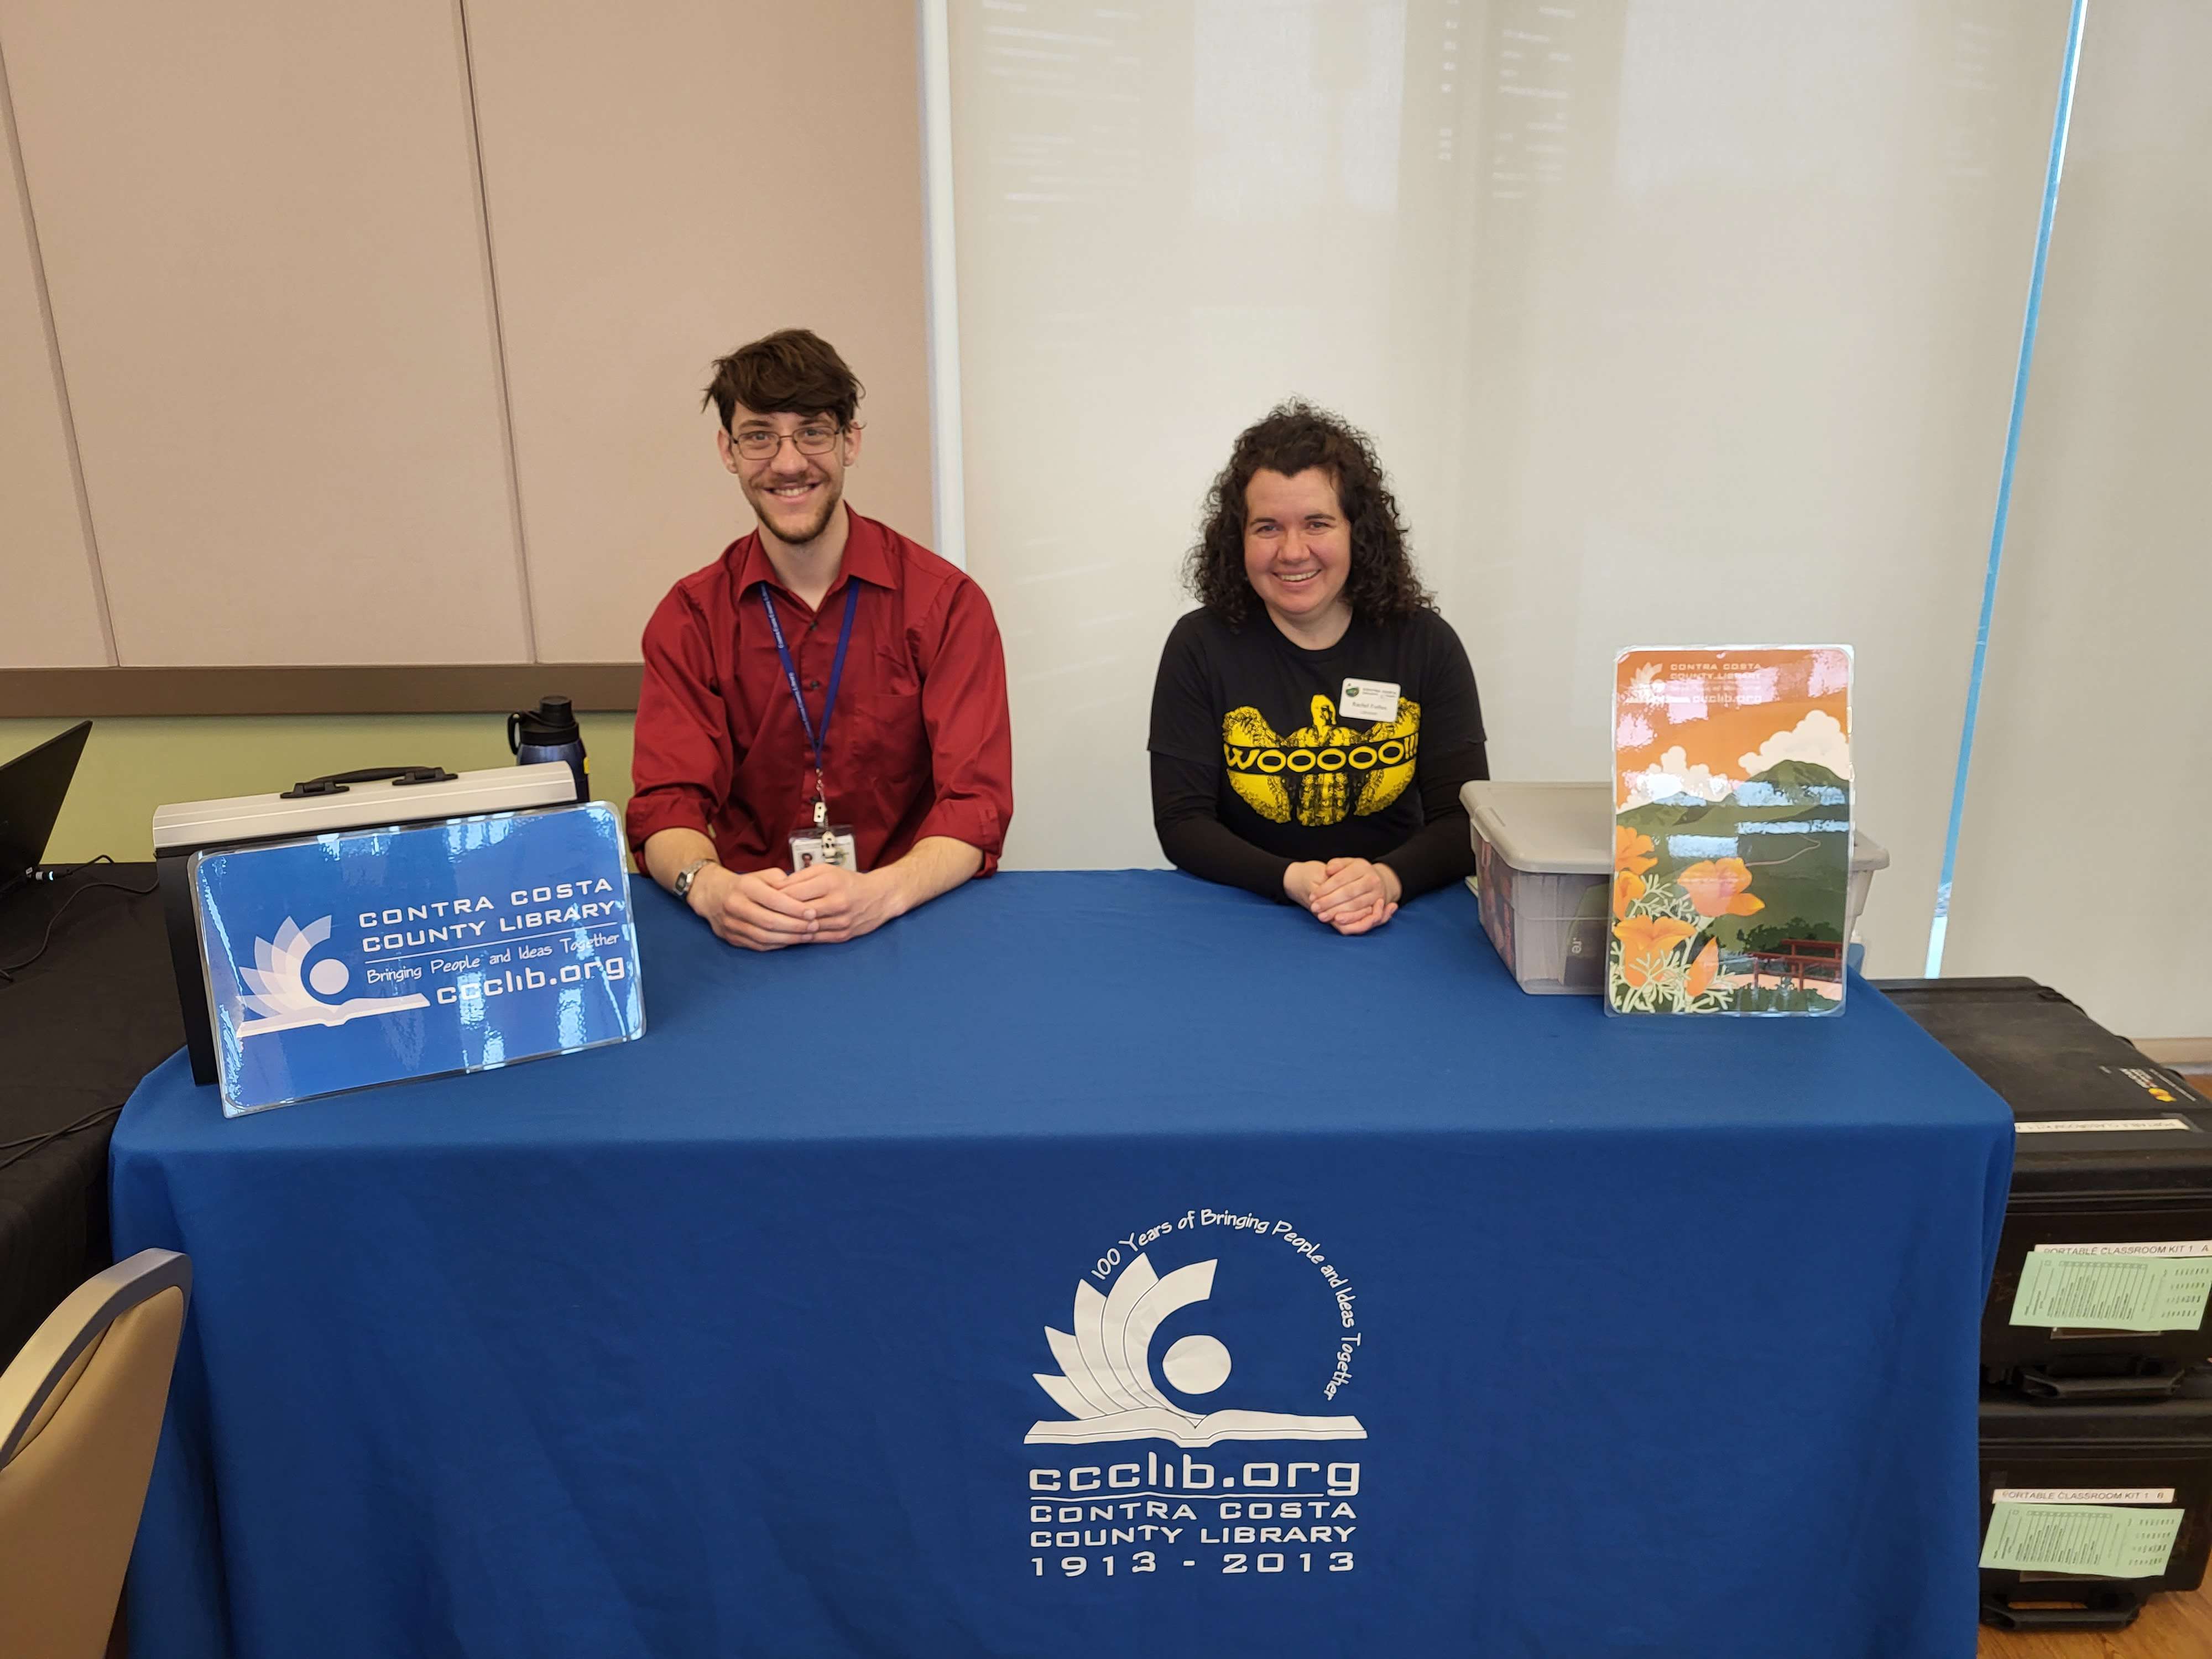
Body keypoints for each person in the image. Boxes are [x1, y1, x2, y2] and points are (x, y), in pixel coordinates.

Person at [628, 329, 1013, 950]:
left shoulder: (946, 604)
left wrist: (883, 893)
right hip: (748, 932)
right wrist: (710, 888)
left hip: (909, 918)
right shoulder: (689, 618)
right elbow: (666, 804)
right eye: (759, 436)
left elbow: (976, 804)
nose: (786, 462)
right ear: (727, 450)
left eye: (812, 431)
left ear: (850, 441)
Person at [1148, 400, 1488, 935]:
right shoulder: (1199, 646)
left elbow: (1466, 818)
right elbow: (1182, 824)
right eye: (1267, 528)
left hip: (1401, 916)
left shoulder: (1425, 643)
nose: (1292, 551)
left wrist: (1385, 880)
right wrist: (1291, 880)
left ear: (1358, 531)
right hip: (1248, 914)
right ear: (1236, 539)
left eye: (1317, 523)